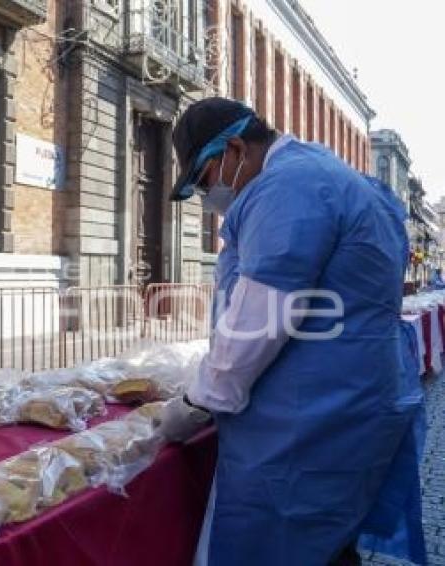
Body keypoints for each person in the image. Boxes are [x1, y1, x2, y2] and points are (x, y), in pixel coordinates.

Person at [159, 98, 420, 565]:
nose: (208, 195)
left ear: (236, 148)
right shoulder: (322, 173)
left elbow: (259, 318)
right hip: (351, 400)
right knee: (329, 543)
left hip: (312, 420)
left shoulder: (288, 188)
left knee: (287, 544)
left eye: (205, 178)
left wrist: (197, 402)